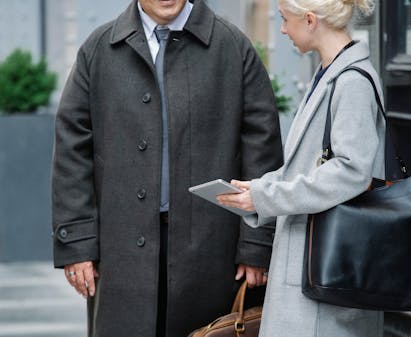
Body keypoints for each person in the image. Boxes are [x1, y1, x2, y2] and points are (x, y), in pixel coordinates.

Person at [51, 0, 283, 336]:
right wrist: (77, 245)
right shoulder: (99, 50)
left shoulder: (232, 47)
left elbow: (262, 150)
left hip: (213, 253)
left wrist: (257, 245)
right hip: (119, 255)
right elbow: (73, 152)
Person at [217, 0, 385, 336]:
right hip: (312, 269)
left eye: (284, 19)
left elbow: (350, 171)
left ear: (310, 20)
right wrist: (257, 192)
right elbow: (309, 165)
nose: (281, 29)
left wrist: (267, 195)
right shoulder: (330, 73)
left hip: (325, 279)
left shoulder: (351, 81)